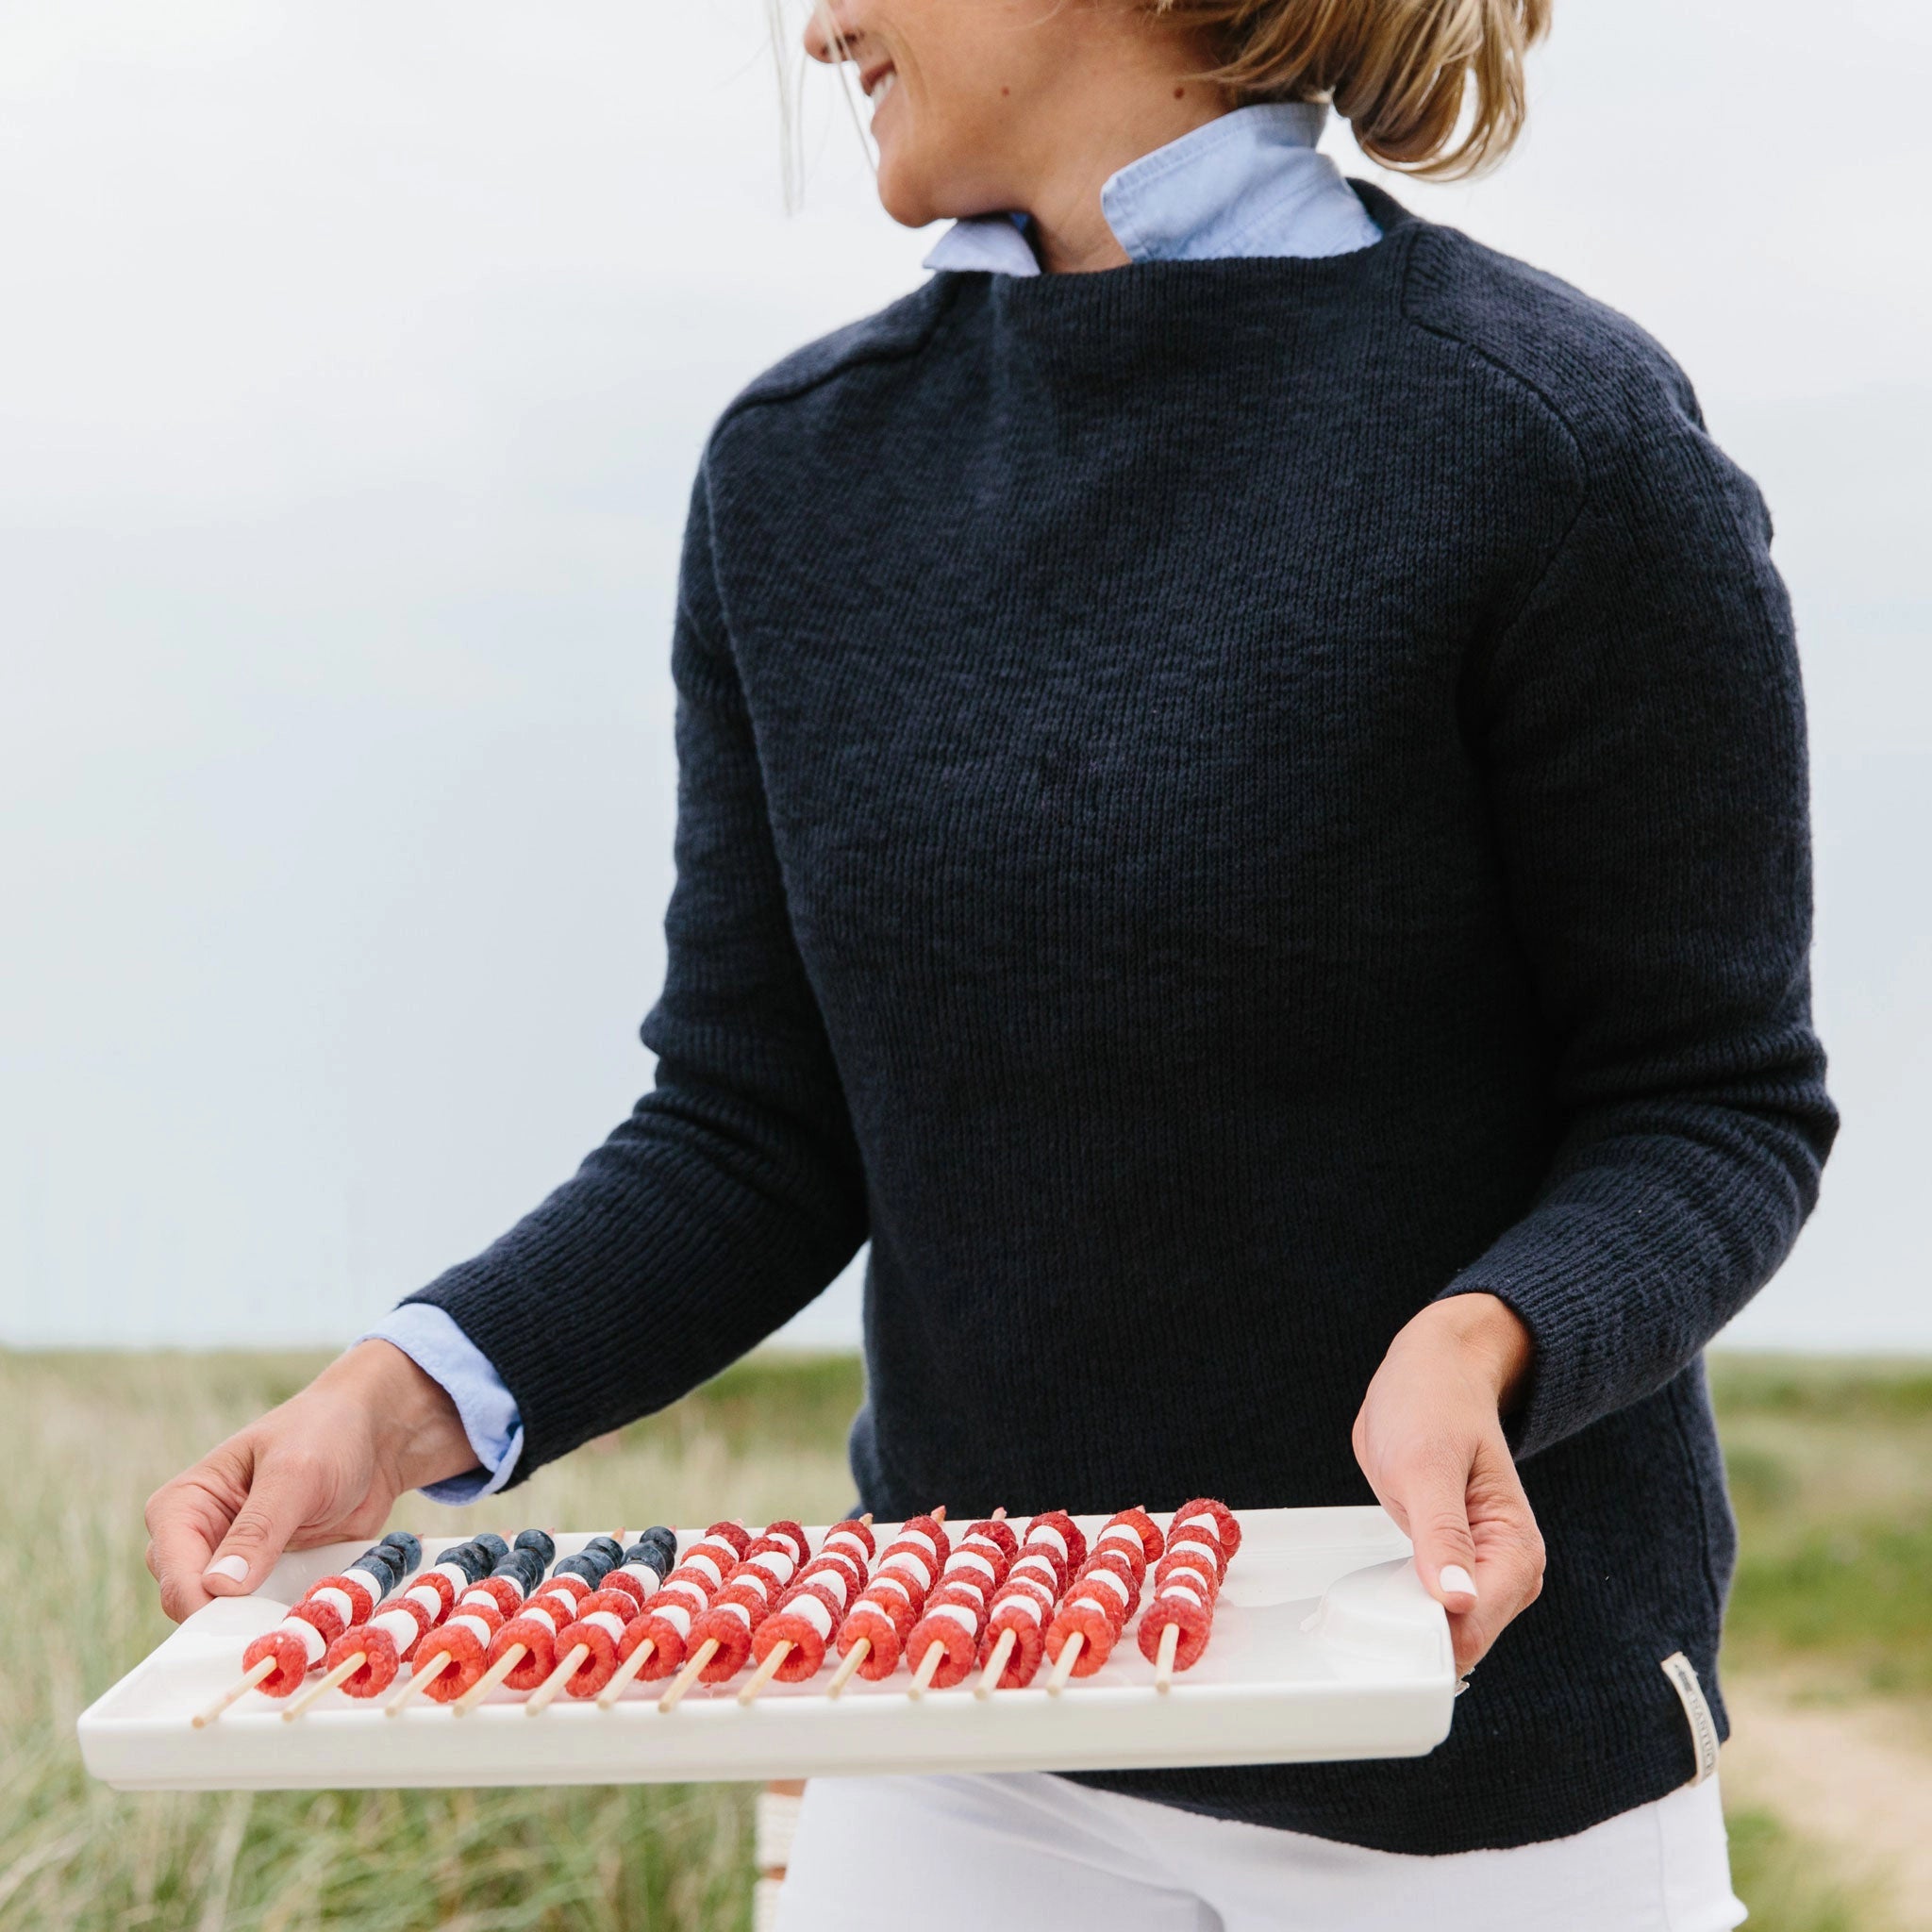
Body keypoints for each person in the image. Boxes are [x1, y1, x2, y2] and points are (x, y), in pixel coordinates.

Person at [144, 0, 1837, 1922]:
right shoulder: (798, 476)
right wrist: (409, 1391)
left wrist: (1489, 1336)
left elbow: (1711, 1104)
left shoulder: (1557, 444)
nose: (818, 27)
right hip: (963, 1728)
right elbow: (756, 1123)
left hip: (1482, 1765)